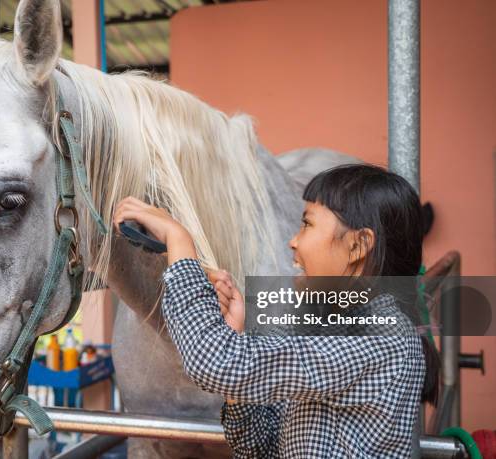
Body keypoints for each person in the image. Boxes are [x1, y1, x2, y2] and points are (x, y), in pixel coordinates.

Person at [113, 164, 440, 458]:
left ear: (357, 245)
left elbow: (214, 363)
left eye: (307, 225)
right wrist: (235, 341)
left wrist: (179, 241)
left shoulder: (375, 336)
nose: (293, 242)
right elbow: (261, 447)